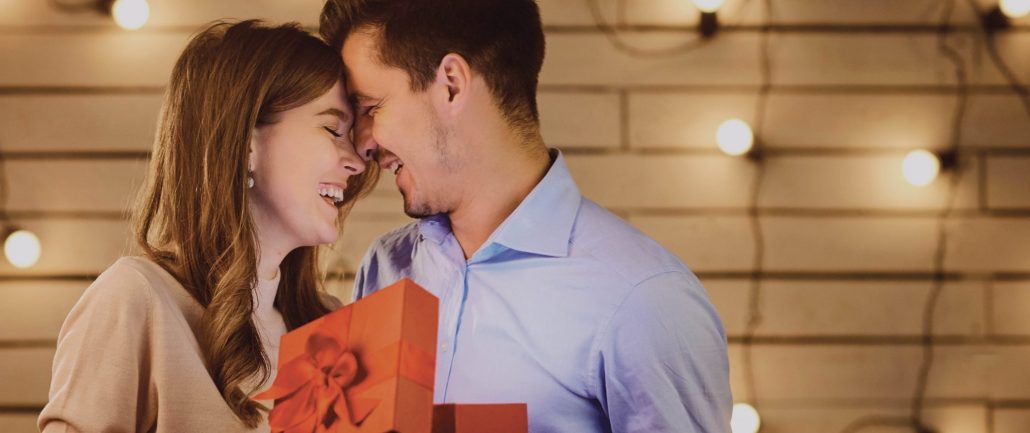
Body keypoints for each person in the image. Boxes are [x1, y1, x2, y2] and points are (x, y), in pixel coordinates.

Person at [318, 1, 733, 432]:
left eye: (370, 108)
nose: (362, 143)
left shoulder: (643, 299)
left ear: (452, 85)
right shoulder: (384, 267)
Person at [38, 20, 376, 433]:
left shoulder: (333, 328)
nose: (356, 162)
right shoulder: (136, 300)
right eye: (332, 129)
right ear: (246, 144)